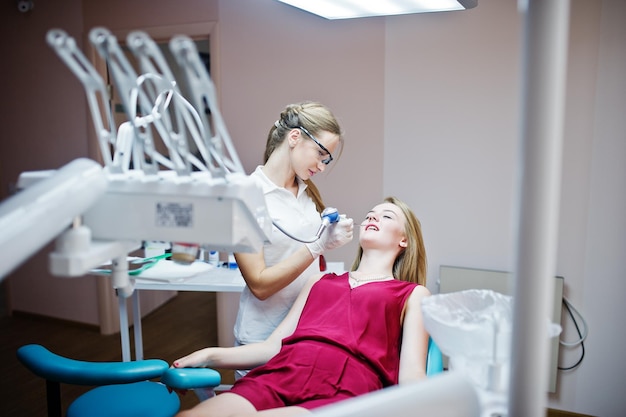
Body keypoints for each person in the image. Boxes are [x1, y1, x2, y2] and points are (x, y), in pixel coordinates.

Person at [172, 196, 431, 417]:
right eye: (370, 215)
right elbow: (272, 348)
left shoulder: (412, 294)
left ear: (404, 240)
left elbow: (411, 376)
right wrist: (208, 355)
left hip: (347, 390)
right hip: (283, 372)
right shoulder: (320, 280)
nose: (373, 218)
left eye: (386, 217)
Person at [232, 101, 354, 377]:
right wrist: (316, 246)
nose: (322, 168)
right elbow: (259, 285)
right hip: (262, 339)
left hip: (305, 332)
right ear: (295, 137)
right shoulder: (245, 196)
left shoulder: (307, 192)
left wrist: (326, 237)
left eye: (327, 160)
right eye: (320, 154)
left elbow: (306, 263)